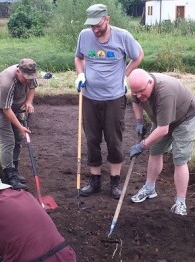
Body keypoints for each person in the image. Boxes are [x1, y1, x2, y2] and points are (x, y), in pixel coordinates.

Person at [74, 3, 144, 199]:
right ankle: (94, 181)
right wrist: (80, 74)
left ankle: (114, 182)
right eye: (91, 26)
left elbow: (138, 56)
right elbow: (78, 58)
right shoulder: (84, 36)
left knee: (114, 139)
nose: (94, 30)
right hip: (89, 97)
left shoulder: (122, 36)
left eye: (98, 25)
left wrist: (124, 74)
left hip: (114, 98)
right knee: (92, 138)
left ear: (107, 19)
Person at [127, 69, 195, 216]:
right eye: (135, 92)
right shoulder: (137, 89)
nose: (139, 95)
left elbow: (163, 130)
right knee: (155, 151)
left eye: (141, 91)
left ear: (150, 82)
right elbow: (135, 102)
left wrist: (142, 145)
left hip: (184, 117)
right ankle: (149, 189)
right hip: (162, 119)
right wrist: (139, 121)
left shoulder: (165, 92)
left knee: (180, 159)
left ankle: (181, 202)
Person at [0, 58, 42, 190]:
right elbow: (6, 109)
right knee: (8, 141)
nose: (29, 80)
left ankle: (15, 169)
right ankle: (9, 176)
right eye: (26, 78)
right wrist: (20, 126)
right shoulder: (7, 82)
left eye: (31, 78)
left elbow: (32, 87)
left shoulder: (30, 75)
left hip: (16, 108)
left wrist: (29, 102)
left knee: (18, 139)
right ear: (18, 71)